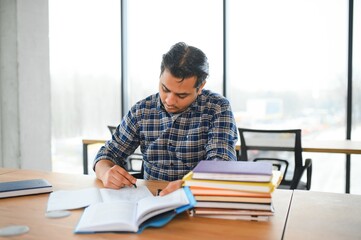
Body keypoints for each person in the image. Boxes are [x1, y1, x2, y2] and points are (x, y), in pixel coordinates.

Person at [93, 42, 238, 195]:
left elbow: (221, 163)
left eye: (181, 95)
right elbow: (108, 153)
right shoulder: (142, 110)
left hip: (197, 200)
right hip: (151, 202)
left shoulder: (217, 107)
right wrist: (105, 172)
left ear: (200, 87)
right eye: (165, 89)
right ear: (160, 76)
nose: (169, 100)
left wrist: (190, 186)